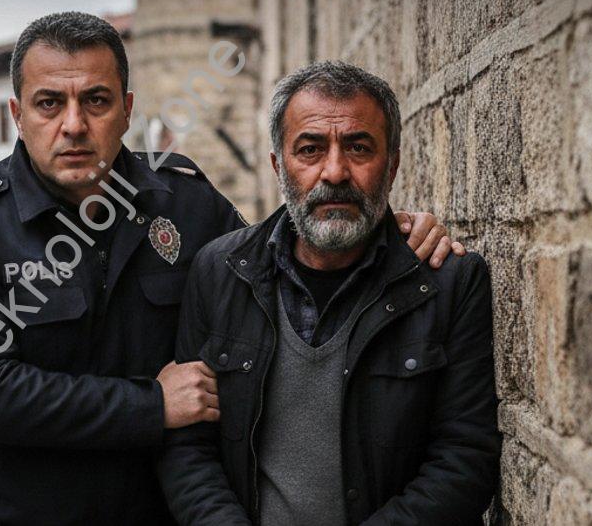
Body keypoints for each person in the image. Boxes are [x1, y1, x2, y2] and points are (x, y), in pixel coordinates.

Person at [0, 13, 463, 525]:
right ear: (18, 115)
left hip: (166, 511)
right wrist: (152, 405)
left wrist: (392, 233)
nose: (74, 124)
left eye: (97, 100)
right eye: (48, 103)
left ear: (128, 109)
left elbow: (293, 257)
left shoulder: (187, 206)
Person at [158, 61, 501, 525]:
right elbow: (189, 450)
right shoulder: (219, 273)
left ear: (393, 163)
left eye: (359, 147)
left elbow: (465, 459)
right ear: (279, 165)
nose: (335, 171)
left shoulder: (448, 282)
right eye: (310, 149)